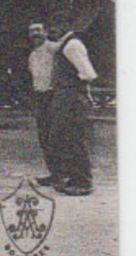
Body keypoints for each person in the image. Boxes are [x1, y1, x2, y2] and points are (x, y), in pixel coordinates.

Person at [49, 24, 100, 196]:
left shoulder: (72, 45)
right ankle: (74, 177)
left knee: (75, 138)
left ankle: (84, 181)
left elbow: (89, 74)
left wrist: (71, 83)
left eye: (55, 26)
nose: (52, 31)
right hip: (65, 97)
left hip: (73, 98)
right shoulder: (63, 45)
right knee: (65, 137)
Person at [26, 23, 61, 186]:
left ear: (46, 32)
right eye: (31, 31)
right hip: (40, 96)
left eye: (38, 30)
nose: (35, 34)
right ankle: (54, 173)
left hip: (54, 95)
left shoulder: (55, 49)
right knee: (44, 137)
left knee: (57, 136)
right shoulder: (33, 55)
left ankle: (65, 174)